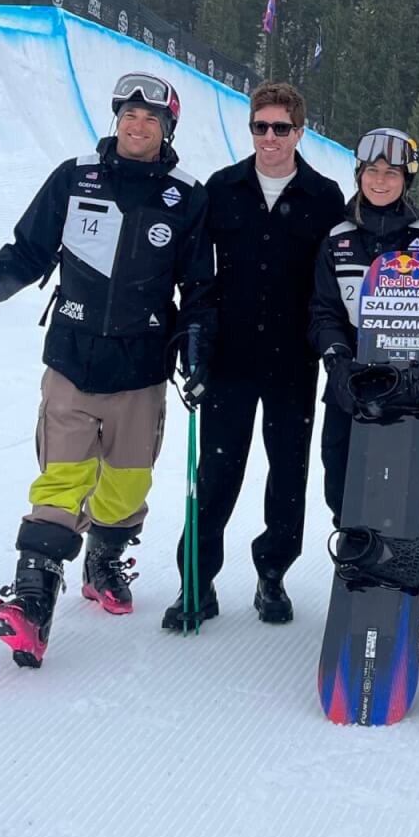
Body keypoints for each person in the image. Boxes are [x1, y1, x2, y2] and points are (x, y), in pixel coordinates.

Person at [0, 71, 215, 668]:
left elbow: (198, 289)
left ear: (167, 129)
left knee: (126, 486)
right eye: (129, 116)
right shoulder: (74, 177)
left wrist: (197, 346)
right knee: (62, 480)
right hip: (71, 362)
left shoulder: (186, 197)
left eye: (151, 119)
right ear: (117, 120)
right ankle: (32, 601)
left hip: (141, 368)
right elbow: (27, 255)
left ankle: (103, 558)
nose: (138, 126)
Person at [162, 82, 344, 632]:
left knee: (287, 472)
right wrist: (194, 339)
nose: (270, 137)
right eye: (260, 126)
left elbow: (335, 281)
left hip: (293, 360)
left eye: (280, 128)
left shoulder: (324, 196)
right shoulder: (222, 189)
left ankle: (273, 574)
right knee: (217, 471)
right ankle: (197, 581)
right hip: (231, 357)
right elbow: (198, 274)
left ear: (300, 132)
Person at [308, 128, 419, 654]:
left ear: (406, 179)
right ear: (359, 175)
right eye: (372, 171)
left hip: (411, 394)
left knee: (408, 501)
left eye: (392, 173)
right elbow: (324, 311)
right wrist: (337, 363)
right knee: (345, 495)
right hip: (352, 392)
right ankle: (363, 584)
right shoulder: (338, 238)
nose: (380, 181)